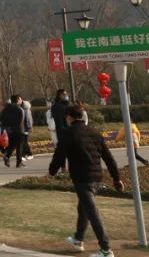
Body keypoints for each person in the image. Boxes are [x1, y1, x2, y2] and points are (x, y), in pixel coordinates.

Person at [49, 104, 122, 257]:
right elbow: (109, 158)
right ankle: (78, 239)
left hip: (82, 178)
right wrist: (116, 179)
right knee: (83, 208)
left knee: (92, 213)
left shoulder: (68, 133)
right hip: (96, 177)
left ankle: (106, 249)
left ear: (69, 117)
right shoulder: (94, 132)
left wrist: (52, 171)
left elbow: (59, 155)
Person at [0, 95, 25, 168]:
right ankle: (19, 162)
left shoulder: (6, 109)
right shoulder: (20, 109)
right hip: (19, 130)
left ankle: (7, 156)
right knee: (19, 146)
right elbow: (21, 121)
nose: (21, 100)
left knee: (12, 145)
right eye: (20, 99)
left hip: (9, 130)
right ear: (18, 100)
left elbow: (1, 120)